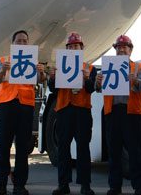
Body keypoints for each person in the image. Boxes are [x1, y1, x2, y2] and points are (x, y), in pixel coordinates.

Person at [0, 30, 46, 195]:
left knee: (22, 147)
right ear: (13, 44)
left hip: (26, 105)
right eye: (19, 41)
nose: (22, 43)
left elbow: (40, 80)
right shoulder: (4, 60)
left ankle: (19, 185)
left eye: (24, 41)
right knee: (3, 146)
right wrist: (3, 70)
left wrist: (41, 71)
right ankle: (0, 185)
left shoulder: (33, 61)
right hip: (7, 104)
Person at [95, 35, 141, 195]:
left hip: (132, 113)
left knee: (135, 151)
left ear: (130, 50)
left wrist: (136, 81)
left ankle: (138, 187)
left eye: (125, 47)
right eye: (119, 47)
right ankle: (114, 187)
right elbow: (99, 89)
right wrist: (98, 82)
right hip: (113, 112)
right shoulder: (107, 67)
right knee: (114, 151)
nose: (121, 49)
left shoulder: (138, 67)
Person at [49, 32, 97, 195]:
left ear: (82, 48)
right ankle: (63, 184)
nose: (73, 49)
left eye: (76, 46)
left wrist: (86, 79)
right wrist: (53, 77)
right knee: (63, 148)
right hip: (64, 110)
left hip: (82, 110)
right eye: (70, 47)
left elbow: (92, 89)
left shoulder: (89, 68)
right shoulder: (59, 67)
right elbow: (53, 89)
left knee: (83, 148)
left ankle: (85, 185)